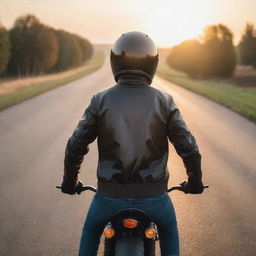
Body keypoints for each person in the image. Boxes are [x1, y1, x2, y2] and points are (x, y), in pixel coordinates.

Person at [61, 31, 204, 256]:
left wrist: (70, 181)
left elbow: (75, 145)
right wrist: (195, 182)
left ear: (115, 61)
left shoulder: (100, 100)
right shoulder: (164, 102)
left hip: (108, 197)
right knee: (168, 231)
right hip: (154, 199)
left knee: (90, 232)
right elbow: (189, 148)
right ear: (152, 63)